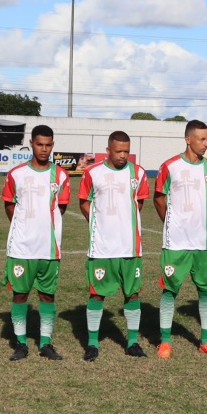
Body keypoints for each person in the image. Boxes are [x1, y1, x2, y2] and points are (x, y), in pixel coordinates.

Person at [1, 124, 71, 360]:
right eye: (39, 144)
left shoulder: (60, 175)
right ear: (31, 143)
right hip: (21, 246)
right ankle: (21, 343)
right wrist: (24, 226)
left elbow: (61, 208)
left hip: (49, 248)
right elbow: (9, 205)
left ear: (53, 145)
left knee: (47, 295)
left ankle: (45, 343)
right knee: (20, 295)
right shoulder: (16, 174)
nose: (44, 149)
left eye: (48, 145)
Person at [78, 130, 150, 361]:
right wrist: (101, 224)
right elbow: (84, 203)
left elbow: (139, 204)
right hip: (102, 248)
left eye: (126, 151)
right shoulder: (92, 172)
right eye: (118, 151)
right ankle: (92, 344)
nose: (122, 155)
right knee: (97, 294)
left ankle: (132, 342)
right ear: (108, 150)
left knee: (133, 294)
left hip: (130, 247)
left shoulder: (138, 173)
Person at [154, 120, 207, 357]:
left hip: (203, 242)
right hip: (176, 242)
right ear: (188, 139)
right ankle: (164, 341)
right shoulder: (170, 166)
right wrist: (172, 223)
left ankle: (206, 341)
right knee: (170, 290)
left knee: (206, 290)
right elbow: (158, 198)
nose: (206, 144)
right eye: (201, 139)